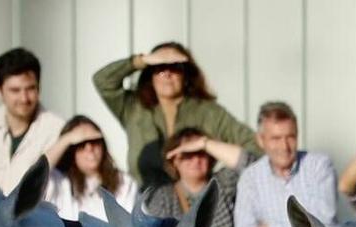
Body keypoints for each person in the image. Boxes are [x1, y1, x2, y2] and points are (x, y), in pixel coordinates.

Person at [94, 43, 255, 191]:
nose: (167, 74)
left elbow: (254, 147)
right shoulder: (133, 108)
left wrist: (217, 175)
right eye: (159, 68)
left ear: (186, 74)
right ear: (150, 75)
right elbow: (103, 81)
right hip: (145, 204)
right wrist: (141, 60)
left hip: (194, 205)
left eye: (175, 68)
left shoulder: (209, 112)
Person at [0, 48, 66, 194]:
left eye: (30, 89)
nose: (24, 98)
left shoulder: (57, 128)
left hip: (36, 215)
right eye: (15, 90)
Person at [230, 102, 336, 227]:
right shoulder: (250, 178)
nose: (284, 146)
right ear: (261, 140)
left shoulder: (319, 166)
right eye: (276, 138)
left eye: (290, 137)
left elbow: (324, 221)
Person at [139, 128, 249, 227]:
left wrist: (205, 143)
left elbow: (248, 163)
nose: (196, 160)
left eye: (201, 153)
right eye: (188, 155)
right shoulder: (164, 197)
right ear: (174, 160)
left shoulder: (222, 183)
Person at [45, 116, 137, 221]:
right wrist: (67, 139)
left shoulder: (124, 182)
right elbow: (34, 177)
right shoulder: (59, 182)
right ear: (69, 151)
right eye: (81, 144)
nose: (89, 148)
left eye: (94, 141)